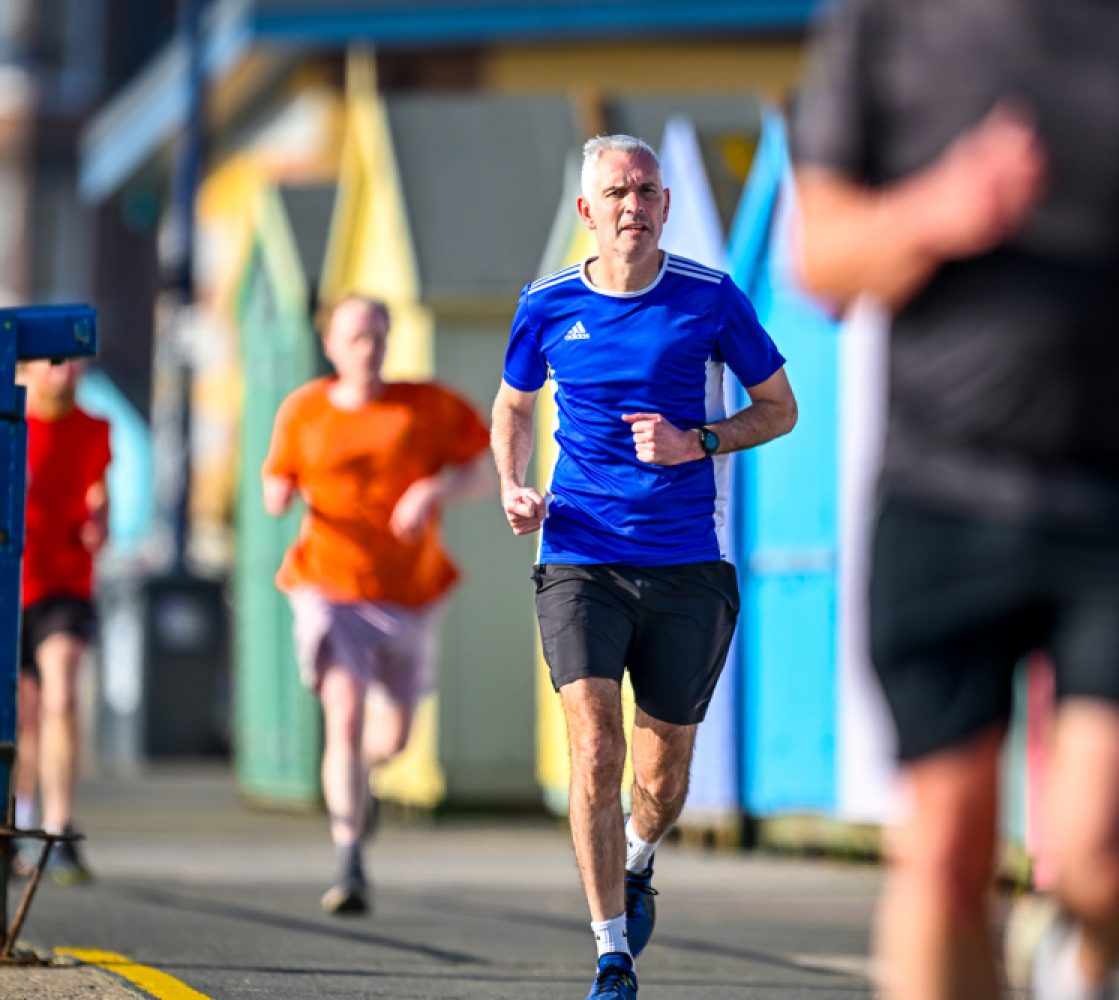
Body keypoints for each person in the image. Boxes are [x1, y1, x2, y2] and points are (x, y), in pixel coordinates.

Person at [789, 2, 1119, 998]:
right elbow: (817, 259)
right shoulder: (885, 22)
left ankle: (1077, 957)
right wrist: (939, 209)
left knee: (1114, 858)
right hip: (945, 485)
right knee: (946, 850)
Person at [491, 134, 797, 1000]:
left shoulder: (710, 299)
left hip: (687, 563)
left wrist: (697, 439)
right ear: (588, 212)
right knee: (595, 746)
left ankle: (638, 858)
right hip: (579, 554)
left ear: (665, 206)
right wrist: (513, 483)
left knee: (661, 779)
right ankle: (610, 952)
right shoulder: (546, 304)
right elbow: (512, 406)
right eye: (617, 191)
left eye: (647, 190)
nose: (633, 204)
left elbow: (779, 408)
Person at [262, 293, 492, 916]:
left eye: (379, 336)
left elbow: (486, 467)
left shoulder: (425, 406)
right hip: (328, 585)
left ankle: (359, 784)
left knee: (389, 741)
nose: (369, 348)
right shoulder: (304, 410)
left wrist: (434, 487)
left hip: (410, 594)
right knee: (344, 716)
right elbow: (274, 478)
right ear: (331, 345)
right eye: (356, 337)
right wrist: (279, 493)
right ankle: (349, 860)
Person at [0, 359, 110, 885]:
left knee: (62, 694)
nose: (64, 377)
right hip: (5, 586)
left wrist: (98, 520)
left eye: (73, 366)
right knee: (21, 714)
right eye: (53, 366)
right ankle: (17, 821)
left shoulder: (95, 428)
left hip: (65, 586)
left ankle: (60, 827)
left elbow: (96, 492)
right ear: (25, 369)